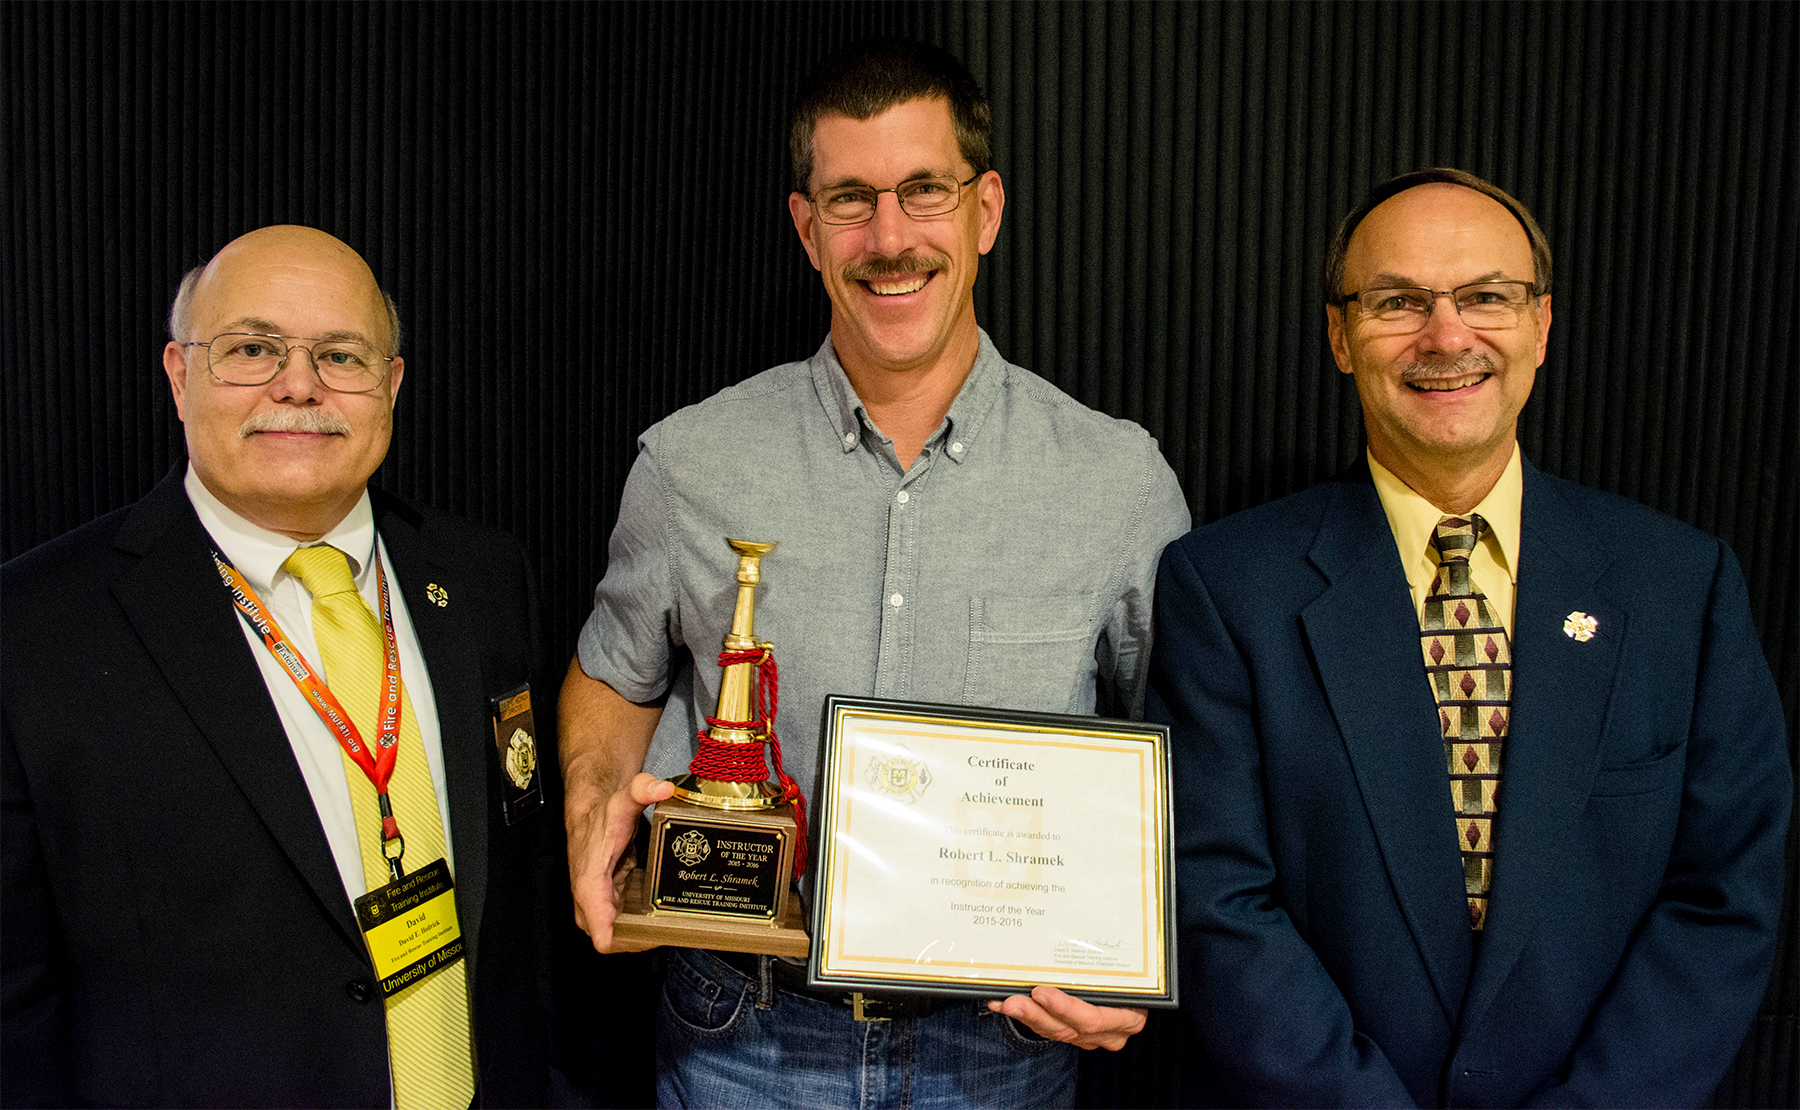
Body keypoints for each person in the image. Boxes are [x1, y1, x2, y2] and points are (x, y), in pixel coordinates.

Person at [560, 38, 1189, 1108]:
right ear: (806, 228)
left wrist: (1141, 948)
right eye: (851, 199)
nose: (889, 238)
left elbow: (1179, 750)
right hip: (742, 1039)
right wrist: (588, 804)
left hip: (1005, 1053)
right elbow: (614, 677)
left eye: (923, 192)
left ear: (985, 209)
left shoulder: (1118, 483)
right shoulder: (689, 465)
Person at [1149, 168, 1791, 1107]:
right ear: (1339, 335)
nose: (1446, 336)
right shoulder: (1227, 589)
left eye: (1487, 297)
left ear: (1540, 324)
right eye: (1398, 302)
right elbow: (1217, 905)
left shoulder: (1681, 587)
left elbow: (1724, 899)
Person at [0, 226, 554, 1108]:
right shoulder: (32, 631)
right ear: (180, 376)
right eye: (253, 350)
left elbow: (525, 911)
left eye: (341, 355)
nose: (298, 385)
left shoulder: (485, 578)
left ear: (392, 385)